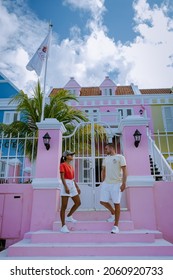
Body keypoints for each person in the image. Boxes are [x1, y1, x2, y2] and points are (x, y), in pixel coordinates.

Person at [100, 143, 127, 234]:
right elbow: (103, 169)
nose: (105, 150)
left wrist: (123, 183)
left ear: (111, 148)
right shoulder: (106, 158)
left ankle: (116, 226)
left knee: (116, 203)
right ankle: (113, 213)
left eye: (106, 148)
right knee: (102, 201)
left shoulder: (120, 157)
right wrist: (102, 180)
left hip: (117, 183)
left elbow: (124, 170)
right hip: (106, 183)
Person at [59, 150, 81, 233]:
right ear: (66, 156)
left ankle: (69, 216)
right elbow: (62, 177)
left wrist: (77, 187)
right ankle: (63, 226)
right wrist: (65, 187)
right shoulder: (62, 165)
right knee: (64, 206)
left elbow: (73, 178)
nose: (72, 156)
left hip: (72, 184)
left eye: (72, 155)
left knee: (78, 203)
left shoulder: (71, 166)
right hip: (66, 183)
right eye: (70, 155)